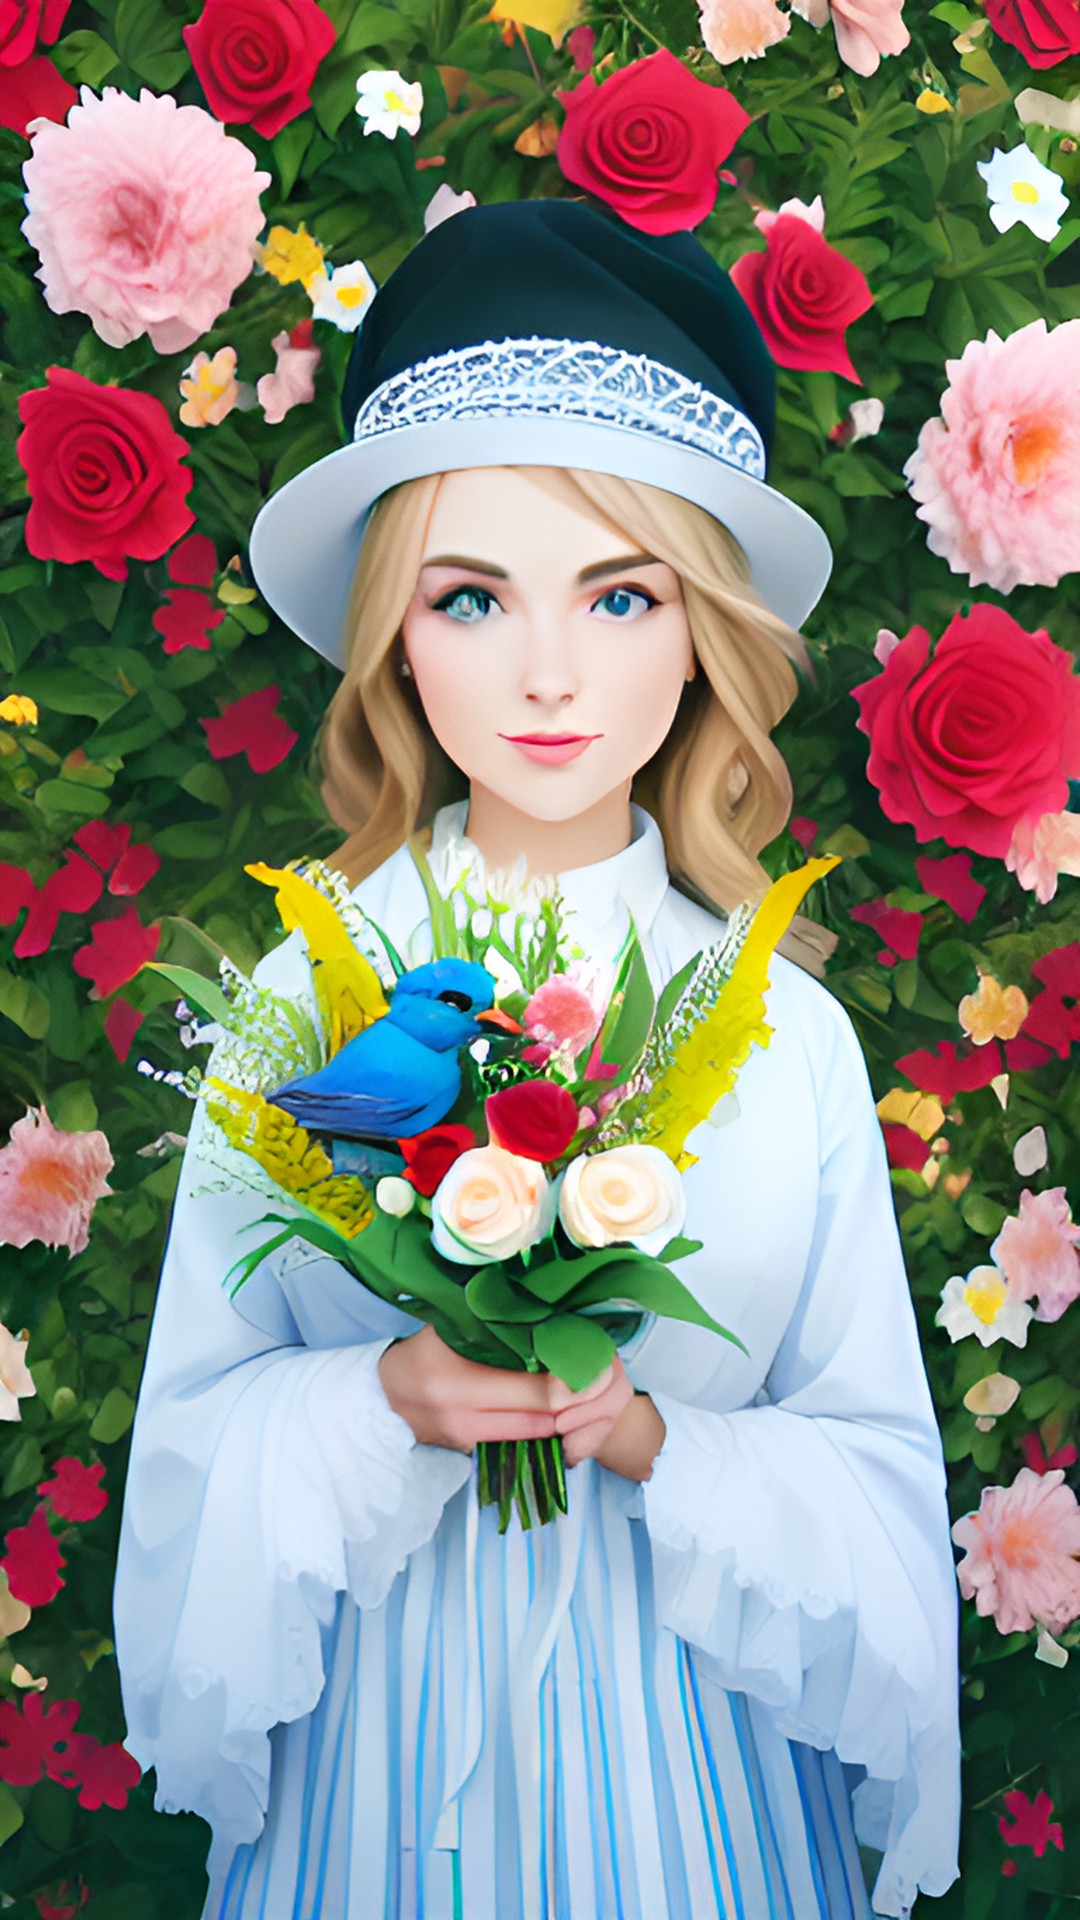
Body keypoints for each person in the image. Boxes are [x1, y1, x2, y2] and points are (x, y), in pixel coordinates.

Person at [113, 199, 961, 1920]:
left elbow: (872, 1461)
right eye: (476, 595)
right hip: (381, 1773)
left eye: (623, 592)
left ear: (702, 634)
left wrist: (653, 1436)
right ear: (398, 642)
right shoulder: (306, 999)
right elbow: (198, 1430)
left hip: (700, 1783)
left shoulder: (787, 1028)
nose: (553, 673)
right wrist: (383, 1401)